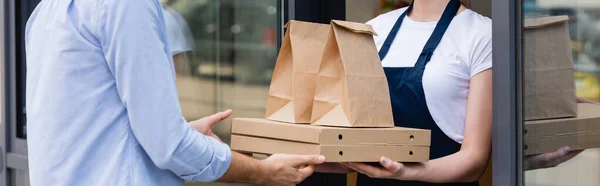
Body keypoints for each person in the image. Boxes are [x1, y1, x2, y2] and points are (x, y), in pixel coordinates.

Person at [24, 0, 324, 186]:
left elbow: (84, 129)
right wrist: (263, 172)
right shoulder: (125, 5)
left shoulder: (46, 12)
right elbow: (169, 147)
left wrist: (179, 132)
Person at [325, 0, 494, 185]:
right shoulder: (375, 28)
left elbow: (475, 160)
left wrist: (405, 171)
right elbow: (356, 149)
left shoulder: (480, 32)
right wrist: (313, 159)